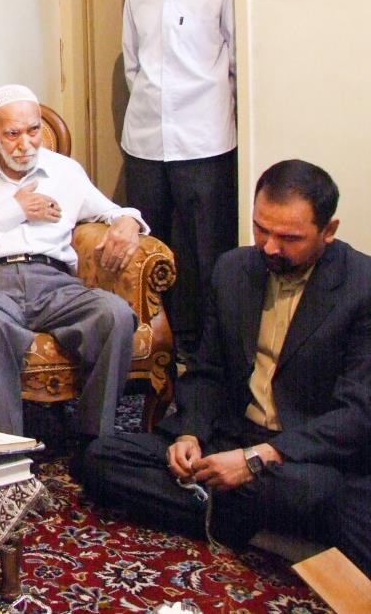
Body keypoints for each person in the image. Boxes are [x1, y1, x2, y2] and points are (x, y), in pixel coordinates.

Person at [79, 160, 371, 571]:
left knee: (313, 493)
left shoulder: (361, 286)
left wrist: (257, 460)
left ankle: (229, 515)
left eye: (289, 238)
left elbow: (356, 415)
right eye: (261, 229)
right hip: (232, 436)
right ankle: (264, 532)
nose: (270, 247)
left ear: (329, 230)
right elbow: (208, 371)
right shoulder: (234, 269)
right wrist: (191, 432)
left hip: (302, 456)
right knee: (101, 458)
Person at [0, 84, 146, 443]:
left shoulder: (64, 171)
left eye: (34, 130)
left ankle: (96, 444)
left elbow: (110, 210)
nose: (25, 144)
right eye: (12, 134)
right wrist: (14, 211)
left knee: (115, 315)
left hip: (55, 284)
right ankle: (8, 447)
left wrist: (129, 221)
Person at [121, 0, 237, 358]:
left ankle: (210, 356)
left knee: (208, 255)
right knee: (151, 253)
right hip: (146, 144)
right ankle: (159, 351)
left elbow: (239, 62)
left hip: (205, 143)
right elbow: (133, 67)